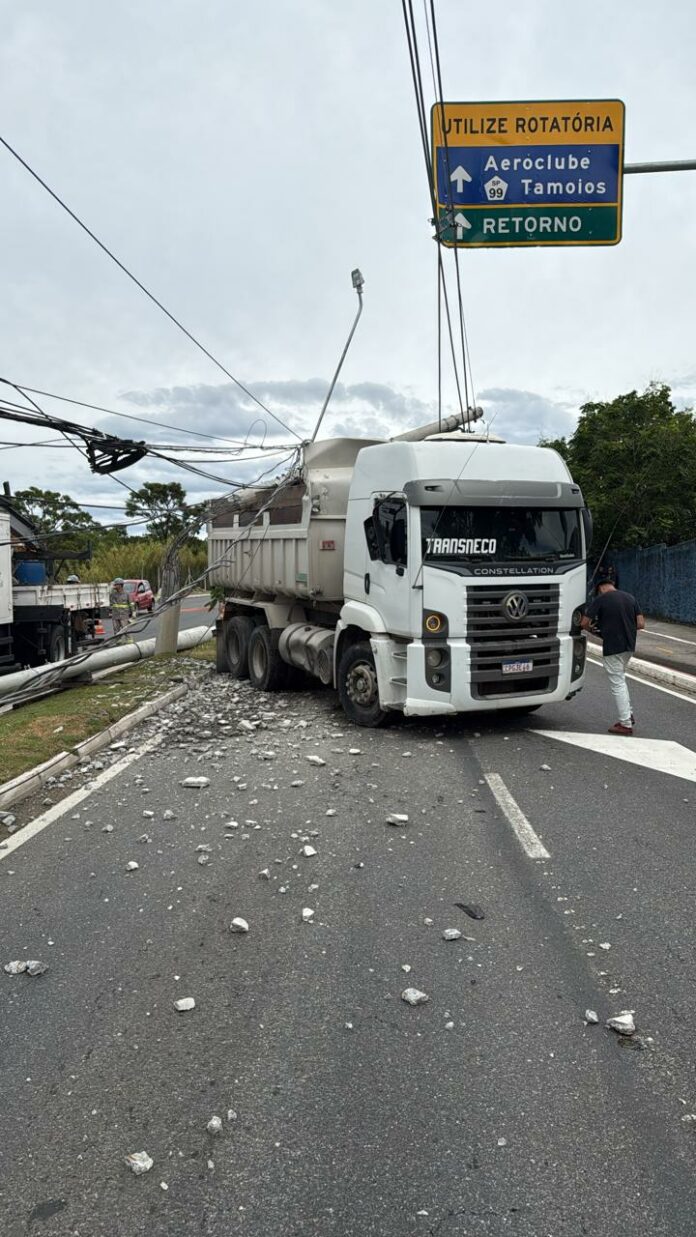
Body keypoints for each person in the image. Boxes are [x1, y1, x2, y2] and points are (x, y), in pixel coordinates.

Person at [581, 577, 645, 735]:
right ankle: (628, 714)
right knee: (621, 679)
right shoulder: (630, 597)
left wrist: (593, 630)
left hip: (612, 647)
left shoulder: (600, 599)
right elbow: (641, 624)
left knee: (617, 684)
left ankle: (625, 723)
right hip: (629, 647)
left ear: (600, 588)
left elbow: (584, 623)